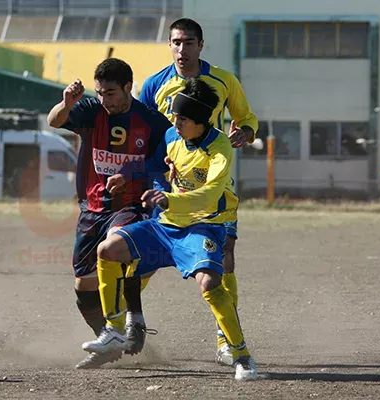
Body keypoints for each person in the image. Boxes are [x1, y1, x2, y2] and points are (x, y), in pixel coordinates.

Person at [82, 78, 257, 380]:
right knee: (108, 250)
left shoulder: (219, 148)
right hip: (166, 225)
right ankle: (114, 328)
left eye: (183, 118)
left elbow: (211, 193)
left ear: (201, 121)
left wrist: (169, 198)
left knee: (210, 285)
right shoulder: (170, 135)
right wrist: (126, 175)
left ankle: (241, 355)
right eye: (175, 116)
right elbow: (151, 164)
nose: (175, 122)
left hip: (203, 226)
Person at [133, 17, 259, 363]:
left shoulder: (223, 80)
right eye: (175, 42)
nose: (181, 49)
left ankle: (225, 340)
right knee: (145, 260)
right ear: (169, 45)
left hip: (213, 183)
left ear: (200, 46)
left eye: (188, 42)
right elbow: (142, 133)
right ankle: (130, 322)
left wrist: (245, 133)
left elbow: (248, 119)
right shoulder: (154, 84)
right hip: (167, 187)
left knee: (224, 259)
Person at [46, 58, 171, 369]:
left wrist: (130, 176)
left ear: (128, 87)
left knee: (115, 249)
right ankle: (109, 339)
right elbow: (54, 121)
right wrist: (66, 103)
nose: (105, 100)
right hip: (91, 206)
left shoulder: (152, 122)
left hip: (129, 205)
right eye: (100, 92)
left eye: (111, 93)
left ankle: (128, 320)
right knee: (83, 287)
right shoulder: (90, 110)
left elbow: (161, 163)